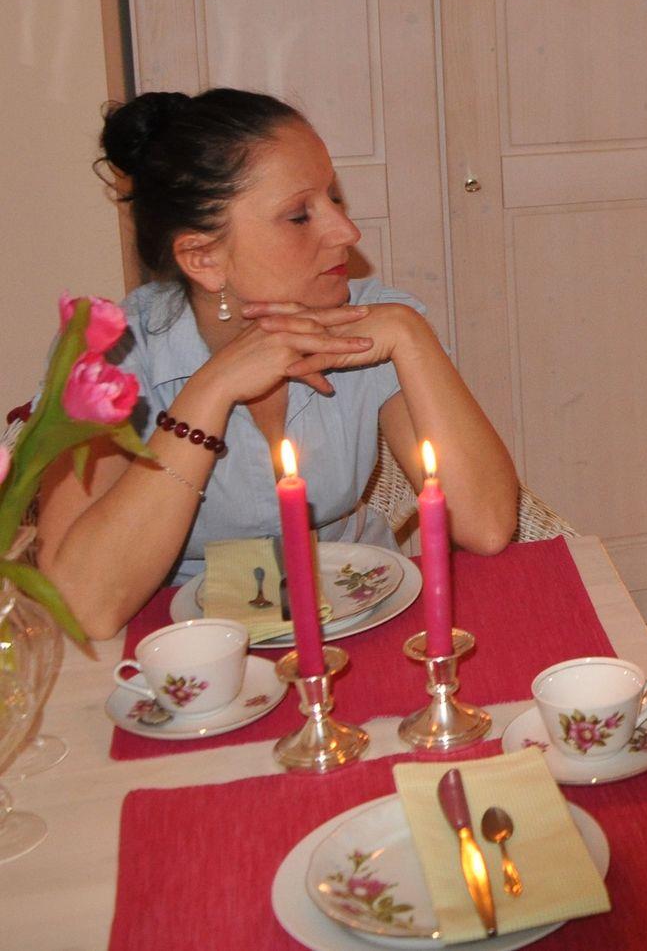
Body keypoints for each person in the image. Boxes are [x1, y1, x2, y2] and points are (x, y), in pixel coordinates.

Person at [36, 88, 518, 639]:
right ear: (203, 257)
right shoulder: (107, 358)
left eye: (334, 198)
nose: (347, 231)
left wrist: (410, 335)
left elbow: (486, 526)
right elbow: (84, 605)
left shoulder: (375, 323)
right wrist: (210, 390)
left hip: (363, 622)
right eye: (299, 216)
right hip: (191, 642)